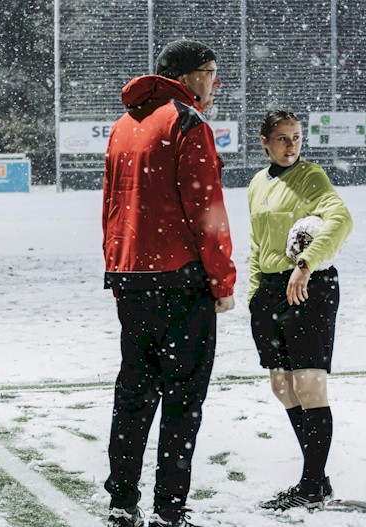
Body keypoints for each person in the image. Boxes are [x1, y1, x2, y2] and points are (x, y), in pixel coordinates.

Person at [102, 39, 236, 527]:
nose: (216, 82)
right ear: (187, 77)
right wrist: (222, 280)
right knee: (183, 399)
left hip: (131, 276)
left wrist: (117, 266)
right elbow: (207, 210)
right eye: (211, 71)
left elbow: (111, 205)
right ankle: (169, 508)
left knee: (134, 393)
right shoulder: (187, 122)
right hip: (180, 281)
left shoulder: (124, 124)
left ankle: (122, 500)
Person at [247, 109, 352, 511]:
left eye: (296, 137)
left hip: (310, 287)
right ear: (265, 141)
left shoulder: (311, 177)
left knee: (309, 385)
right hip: (271, 290)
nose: (291, 145)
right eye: (282, 138)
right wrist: (255, 291)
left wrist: (306, 263)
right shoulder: (257, 184)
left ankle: (309, 486)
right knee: (282, 385)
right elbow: (257, 242)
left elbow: (341, 219)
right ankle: (317, 479)